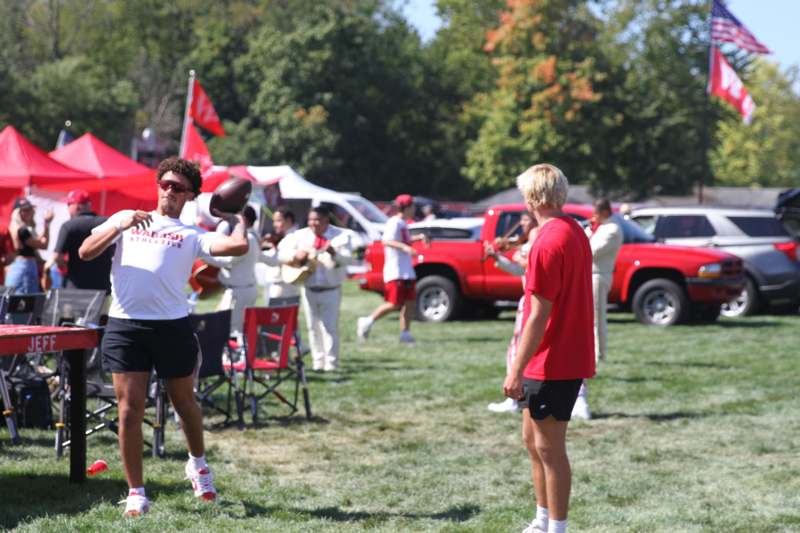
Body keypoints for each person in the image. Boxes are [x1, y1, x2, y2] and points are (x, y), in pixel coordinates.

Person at [78, 157, 249, 517]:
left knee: (185, 404)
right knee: (129, 410)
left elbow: (237, 248)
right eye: (165, 184)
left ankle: (198, 465)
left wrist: (238, 220)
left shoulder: (191, 235)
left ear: (190, 196)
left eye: (178, 188)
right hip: (126, 326)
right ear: (157, 186)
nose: (169, 191)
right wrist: (119, 225)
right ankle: (137, 491)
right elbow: (85, 251)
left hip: (172, 326)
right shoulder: (126, 218)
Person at [503, 164, 594, 533]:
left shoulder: (548, 240)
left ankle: (557, 527)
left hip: (554, 358)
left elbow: (539, 314)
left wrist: (514, 368)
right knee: (533, 440)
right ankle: (542, 519)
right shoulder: (572, 229)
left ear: (532, 197)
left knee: (550, 448)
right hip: (555, 356)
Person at [277, 206, 356, 371]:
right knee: (312, 327)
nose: (314, 223)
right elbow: (281, 252)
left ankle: (331, 363)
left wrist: (335, 254)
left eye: (318, 220)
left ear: (327, 220)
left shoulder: (341, 236)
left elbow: (348, 260)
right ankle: (317, 362)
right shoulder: (300, 235)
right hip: (309, 287)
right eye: (311, 220)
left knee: (329, 327)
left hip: (331, 288)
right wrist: (295, 256)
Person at [571, 198, 623, 421]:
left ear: (603, 211)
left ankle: (596, 354)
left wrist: (585, 233)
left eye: (595, 212)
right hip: (590, 276)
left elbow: (591, 251)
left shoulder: (611, 229)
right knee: (591, 319)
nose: (592, 215)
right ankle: (596, 353)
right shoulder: (601, 227)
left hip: (597, 277)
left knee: (594, 319)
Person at [485, 211, 538, 413]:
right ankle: (518, 397)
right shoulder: (527, 244)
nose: (522, 224)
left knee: (517, 349)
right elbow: (520, 271)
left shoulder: (535, 242)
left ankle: (514, 398)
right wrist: (497, 256)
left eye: (525, 220)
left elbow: (530, 267)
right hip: (530, 301)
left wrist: (520, 257)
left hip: (531, 303)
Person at [357, 194, 428, 344]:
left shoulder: (403, 223)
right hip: (396, 270)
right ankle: (367, 321)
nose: (415, 209)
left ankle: (405, 333)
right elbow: (387, 241)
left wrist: (418, 238)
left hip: (406, 270)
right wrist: (405, 247)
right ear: (407, 207)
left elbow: (404, 240)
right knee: (394, 303)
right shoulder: (394, 222)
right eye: (413, 206)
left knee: (410, 302)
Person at [204, 206, 260, 340]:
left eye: (235, 219)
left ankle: (235, 359)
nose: (232, 222)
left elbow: (227, 261)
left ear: (244, 220)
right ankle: (238, 357)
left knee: (233, 330)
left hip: (239, 292)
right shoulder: (253, 237)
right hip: (243, 290)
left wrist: (202, 254)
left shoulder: (248, 239)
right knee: (237, 328)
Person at [45, 189, 113, 294]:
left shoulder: (68, 225)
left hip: (76, 287)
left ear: (76, 206)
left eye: (69, 204)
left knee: (74, 311)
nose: (67, 208)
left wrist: (65, 266)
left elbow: (57, 256)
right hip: (103, 287)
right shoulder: (107, 223)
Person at [6, 198, 54, 294]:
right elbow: (43, 244)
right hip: (24, 266)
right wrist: (47, 224)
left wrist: (46, 225)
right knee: (26, 302)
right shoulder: (21, 230)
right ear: (18, 212)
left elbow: (40, 241)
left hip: (22, 266)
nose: (29, 212)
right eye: (25, 210)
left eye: (30, 209)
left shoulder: (20, 229)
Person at [258, 207, 299, 304]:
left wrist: (257, 252)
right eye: (274, 221)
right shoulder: (285, 237)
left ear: (288, 221)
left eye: (278, 221)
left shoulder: (293, 237)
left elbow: (276, 260)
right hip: (278, 286)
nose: (274, 225)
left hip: (284, 287)